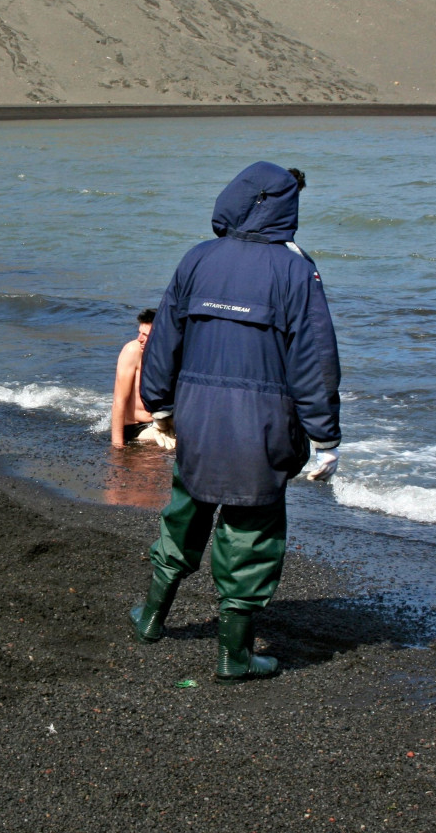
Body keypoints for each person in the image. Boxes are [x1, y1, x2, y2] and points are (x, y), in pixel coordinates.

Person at [130, 162, 341, 683]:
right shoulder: (296, 270)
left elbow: (164, 339)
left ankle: (152, 617)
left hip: (197, 414)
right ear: (284, 207)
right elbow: (313, 357)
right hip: (264, 423)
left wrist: (158, 404)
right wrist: (325, 435)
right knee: (250, 529)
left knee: (185, 509)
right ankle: (235, 654)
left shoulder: (198, 258)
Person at [110, 308, 173, 449]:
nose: (140, 338)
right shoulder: (133, 351)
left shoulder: (172, 354)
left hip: (163, 421)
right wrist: (117, 445)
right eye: (139, 332)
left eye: (145, 334)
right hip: (136, 427)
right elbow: (118, 401)